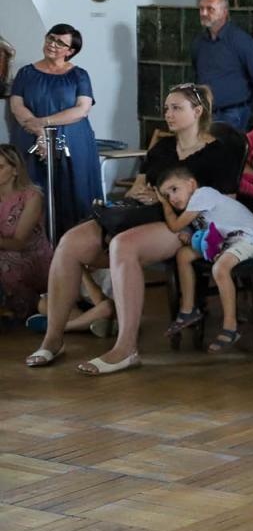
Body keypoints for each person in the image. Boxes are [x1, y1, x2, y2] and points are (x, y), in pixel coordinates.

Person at [25, 83, 235, 372]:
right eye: (166, 108)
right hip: (145, 213)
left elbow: (226, 201)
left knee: (124, 245)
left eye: (176, 108)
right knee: (71, 241)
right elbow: (140, 185)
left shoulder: (218, 152)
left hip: (186, 223)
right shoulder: (162, 146)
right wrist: (140, 194)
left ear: (197, 111)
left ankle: (126, 348)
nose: (168, 114)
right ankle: (53, 339)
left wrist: (169, 201)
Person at [160, 166, 253, 354]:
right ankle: (188, 310)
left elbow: (175, 225)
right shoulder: (195, 211)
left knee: (220, 269)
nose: (172, 198)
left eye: (174, 189)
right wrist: (192, 237)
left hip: (249, 239)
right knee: (184, 255)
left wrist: (163, 204)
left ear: (191, 184)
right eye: (167, 195)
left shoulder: (203, 194)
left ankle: (230, 326)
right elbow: (209, 234)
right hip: (228, 243)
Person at [9, 24, 102, 229]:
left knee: (73, 189)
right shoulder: (26, 73)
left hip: (72, 140)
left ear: (70, 51)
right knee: (32, 188)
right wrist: (38, 131)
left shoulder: (79, 75)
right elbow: (16, 105)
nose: (53, 44)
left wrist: (43, 122)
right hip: (30, 137)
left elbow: (82, 109)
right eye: (51, 38)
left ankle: (75, 246)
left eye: (60, 42)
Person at [192, 0, 253, 131]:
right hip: (205, 112)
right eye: (201, 8)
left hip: (234, 113)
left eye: (210, 9)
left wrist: (248, 107)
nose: (204, 13)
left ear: (224, 12)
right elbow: (196, 72)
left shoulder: (240, 40)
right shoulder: (199, 42)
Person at [0, 144, 50, 321]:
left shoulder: (31, 196)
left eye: (0, 167)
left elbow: (20, 242)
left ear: (15, 170)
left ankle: (36, 307)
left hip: (30, 256)